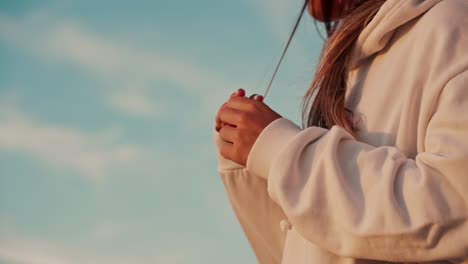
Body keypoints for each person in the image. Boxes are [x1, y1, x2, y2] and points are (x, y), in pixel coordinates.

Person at [214, 0, 468, 263]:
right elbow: (326, 248)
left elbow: (456, 208)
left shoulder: (454, 25)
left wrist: (280, 151)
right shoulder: (357, 61)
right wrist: (253, 170)